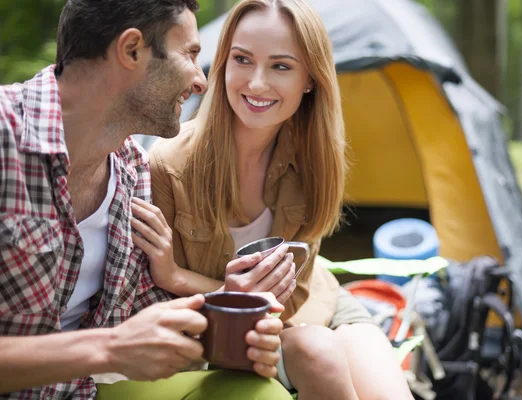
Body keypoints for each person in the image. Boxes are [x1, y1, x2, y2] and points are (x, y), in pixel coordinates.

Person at [0, 1, 291, 399]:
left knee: (260, 393)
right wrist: (107, 348)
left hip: (84, 392)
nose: (201, 81)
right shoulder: (5, 137)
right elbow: (117, 344)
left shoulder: (132, 170)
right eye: (190, 53)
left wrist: (232, 315)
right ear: (132, 49)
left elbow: (139, 314)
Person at [132, 0, 414, 399]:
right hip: (237, 339)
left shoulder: (313, 162)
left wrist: (178, 277)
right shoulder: (169, 166)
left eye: (281, 66)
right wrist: (209, 290)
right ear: (222, 63)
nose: (257, 83)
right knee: (319, 354)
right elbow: (160, 311)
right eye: (242, 60)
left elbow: (295, 296)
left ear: (310, 80)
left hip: (319, 305)